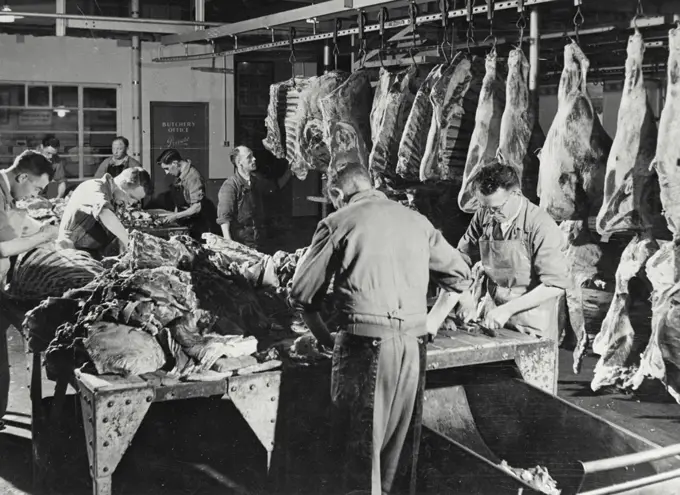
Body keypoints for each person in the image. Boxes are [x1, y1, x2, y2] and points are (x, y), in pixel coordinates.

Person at [289, 160, 472, 495]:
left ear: (336, 192)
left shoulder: (337, 221)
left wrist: (326, 339)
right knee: (398, 457)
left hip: (365, 347)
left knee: (358, 453)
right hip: (413, 349)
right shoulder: (416, 220)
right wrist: (432, 320)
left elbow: (301, 296)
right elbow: (461, 277)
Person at [428, 162, 570, 357]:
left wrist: (508, 310)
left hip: (531, 324)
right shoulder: (485, 214)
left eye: (496, 208)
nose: (492, 215)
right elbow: (461, 259)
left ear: (516, 194)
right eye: (486, 208)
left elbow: (554, 285)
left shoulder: (541, 225)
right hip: (492, 315)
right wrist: (465, 297)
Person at [0, 151, 59, 428]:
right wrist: (43, 236)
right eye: (35, 188)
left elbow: (15, 224)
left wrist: (46, 233)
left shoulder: (7, 192)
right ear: (22, 176)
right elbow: (3, 247)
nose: (34, 194)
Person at [56, 167, 152, 258]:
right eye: (131, 196)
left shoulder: (115, 199)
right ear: (123, 183)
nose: (130, 203)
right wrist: (129, 243)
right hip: (71, 254)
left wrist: (120, 242)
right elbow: (104, 213)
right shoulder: (94, 186)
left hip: (92, 254)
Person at [217, 145, 291, 250]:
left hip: (259, 241)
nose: (254, 159)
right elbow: (224, 219)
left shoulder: (257, 180)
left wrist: (290, 171)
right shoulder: (230, 185)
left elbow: (275, 187)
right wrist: (230, 247)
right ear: (239, 163)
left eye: (253, 156)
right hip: (242, 244)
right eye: (249, 157)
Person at [155, 148, 217, 240]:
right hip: (186, 221)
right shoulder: (179, 174)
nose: (166, 172)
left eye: (167, 168)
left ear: (175, 163)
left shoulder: (193, 177)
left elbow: (197, 207)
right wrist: (173, 216)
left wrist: (175, 216)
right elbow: (179, 202)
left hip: (198, 226)